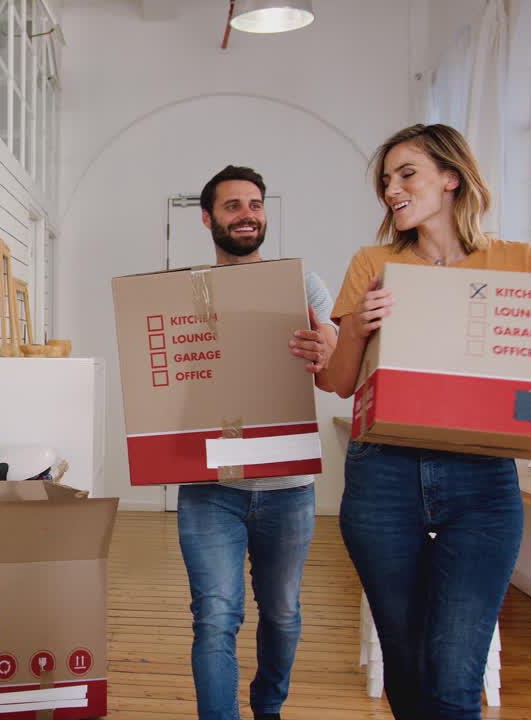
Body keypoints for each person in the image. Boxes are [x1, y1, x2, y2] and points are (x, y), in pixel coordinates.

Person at [322, 124, 531, 720]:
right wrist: (357, 326)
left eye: (407, 174)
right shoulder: (373, 263)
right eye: (386, 181)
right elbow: (341, 383)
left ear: (451, 177)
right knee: (406, 671)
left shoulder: (523, 263)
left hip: (482, 480)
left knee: (455, 679)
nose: (391, 191)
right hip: (383, 477)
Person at [177, 165, 338, 720]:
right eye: (233, 206)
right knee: (215, 616)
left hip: (287, 486)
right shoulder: (181, 295)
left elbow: (331, 369)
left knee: (283, 614)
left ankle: (268, 708)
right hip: (210, 485)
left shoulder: (303, 286)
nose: (247, 215)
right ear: (208, 219)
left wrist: (326, 348)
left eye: (255, 204)